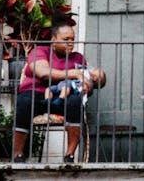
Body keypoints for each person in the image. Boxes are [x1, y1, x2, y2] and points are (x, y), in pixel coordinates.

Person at [11, 23, 107, 163]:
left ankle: (69, 155)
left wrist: (88, 87)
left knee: (75, 101)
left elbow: (87, 81)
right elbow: (44, 74)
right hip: (36, 93)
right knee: (24, 101)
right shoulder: (40, 51)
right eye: (66, 39)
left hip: (63, 97)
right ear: (54, 40)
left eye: (73, 40)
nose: (71, 43)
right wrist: (73, 73)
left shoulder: (78, 58)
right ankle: (18, 154)